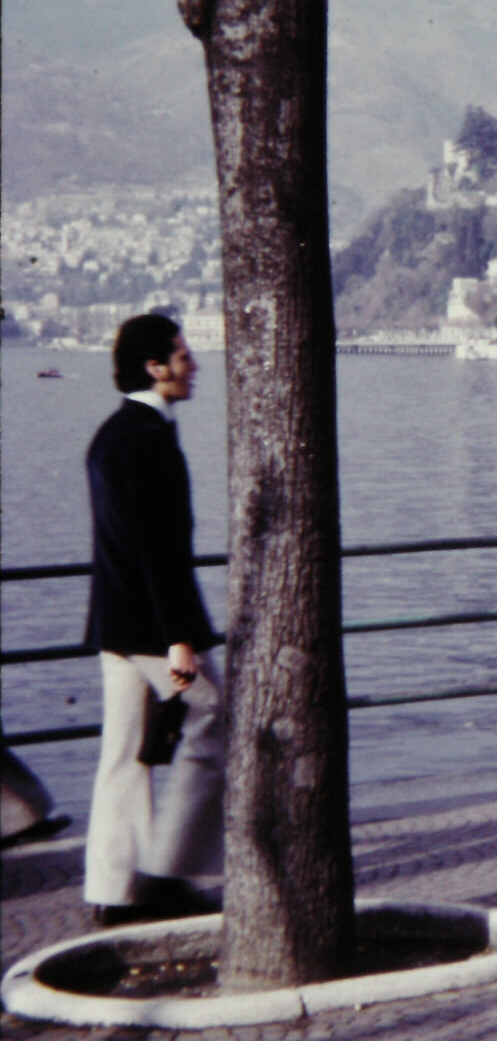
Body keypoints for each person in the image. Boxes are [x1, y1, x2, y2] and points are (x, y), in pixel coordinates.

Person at [82, 314, 225, 925]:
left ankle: (114, 890)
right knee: (216, 714)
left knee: (124, 753)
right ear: (154, 366)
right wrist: (179, 640)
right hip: (152, 629)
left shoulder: (110, 435)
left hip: (113, 623)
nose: (194, 365)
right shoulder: (151, 440)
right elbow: (158, 551)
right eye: (183, 355)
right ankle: (168, 869)